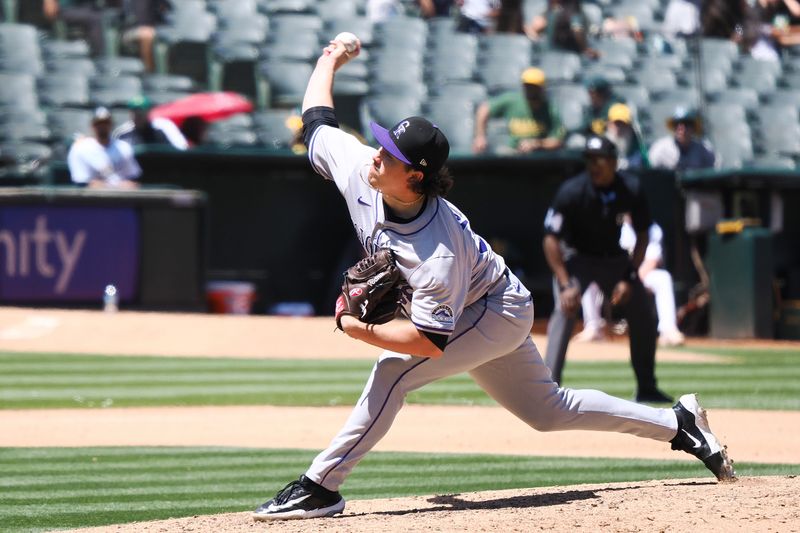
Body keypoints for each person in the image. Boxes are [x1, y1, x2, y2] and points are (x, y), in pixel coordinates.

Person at [250, 34, 734, 523]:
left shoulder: (434, 250)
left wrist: (361, 329)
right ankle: (678, 423)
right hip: (482, 304)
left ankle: (320, 487)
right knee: (548, 411)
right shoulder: (364, 170)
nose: (377, 153)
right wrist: (330, 59)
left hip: (494, 310)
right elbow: (317, 121)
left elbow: (426, 340)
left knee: (392, 372)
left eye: (390, 153)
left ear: (415, 177)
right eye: (381, 144)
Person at [542, 135, 672, 403]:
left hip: (614, 260)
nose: (594, 166)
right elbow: (550, 239)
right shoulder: (573, 191)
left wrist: (630, 276)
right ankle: (547, 388)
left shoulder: (630, 188)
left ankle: (647, 385)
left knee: (643, 310)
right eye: (590, 160)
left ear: (613, 162)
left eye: (600, 159)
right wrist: (565, 283)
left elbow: (643, 233)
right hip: (577, 259)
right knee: (564, 309)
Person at [575, 219, 686, 347]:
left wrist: (629, 281)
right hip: (614, 276)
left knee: (663, 277)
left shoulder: (652, 228)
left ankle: (668, 330)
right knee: (590, 278)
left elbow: (652, 261)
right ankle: (593, 328)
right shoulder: (610, 225)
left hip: (641, 275)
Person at [472, 67, 565, 154]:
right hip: (514, 153)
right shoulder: (512, 100)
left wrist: (537, 144)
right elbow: (484, 109)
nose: (530, 89)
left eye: (534, 86)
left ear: (542, 88)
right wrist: (480, 137)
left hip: (539, 157)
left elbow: (558, 141)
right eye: (527, 85)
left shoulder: (550, 109)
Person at [67, 106, 142, 189]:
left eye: (106, 123)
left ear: (111, 124)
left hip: (121, 198)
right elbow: (81, 184)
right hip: (91, 199)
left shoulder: (123, 147)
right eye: (99, 123)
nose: (102, 127)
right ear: (92, 125)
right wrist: (118, 186)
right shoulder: (80, 148)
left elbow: (133, 179)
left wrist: (103, 185)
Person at [648, 107, 717, 171]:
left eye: (687, 124)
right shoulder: (660, 148)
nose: (682, 128)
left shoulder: (704, 150)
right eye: (677, 124)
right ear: (673, 127)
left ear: (693, 128)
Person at [113, 95, 188, 150]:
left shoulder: (159, 133)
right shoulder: (122, 134)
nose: (138, 116)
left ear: (148, 113)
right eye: (135, 112)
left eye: (141, 112)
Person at [527, 0, 598, 57]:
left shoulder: (553, 13)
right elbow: (578, 31)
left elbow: (577, 31)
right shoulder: (551, 13)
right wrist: (585, 49)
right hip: (563, 55)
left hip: (556, 55)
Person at [43, 0, 115, 56]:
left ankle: (105, 55)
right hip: (66, 9)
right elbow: (50, 11)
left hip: (88, 8)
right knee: (96, 19)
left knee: (109, 15)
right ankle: (99, 56)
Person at [120, 0, 172, 72]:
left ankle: (155, 71)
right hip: (129, 31)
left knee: (150, 34)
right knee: (147, 34)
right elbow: (125, 18)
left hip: (153, 29)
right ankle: (148, 71)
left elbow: (166, 8)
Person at [605, 103, 648, 171]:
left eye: (623, 124)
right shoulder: (601, 149)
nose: (619, 128)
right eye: (616, 123)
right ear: (608, 124)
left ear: (631, 127)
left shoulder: (641, 151)